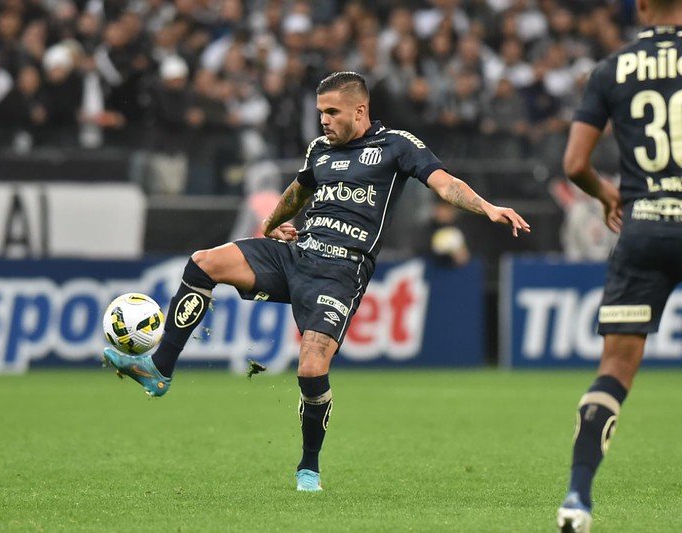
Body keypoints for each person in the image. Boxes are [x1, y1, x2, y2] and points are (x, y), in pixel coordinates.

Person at [102, 71, 530, 492]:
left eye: (332, 112)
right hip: (296, 253)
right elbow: (298, 191)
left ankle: (309, 466)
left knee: (311, 366)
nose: (324, 120)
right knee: (204, 263)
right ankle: (160, 369)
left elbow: (445, 184)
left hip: (340, 271)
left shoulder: (396, 145)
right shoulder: (320, 150)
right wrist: (271, 224)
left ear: (360, 110)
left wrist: (487, 208)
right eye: (320, 112)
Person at [556, 1, 682, 531]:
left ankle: (577, 499)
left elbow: (574, 164)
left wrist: (608, 194)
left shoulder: (611, 69)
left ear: (642, 6)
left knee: (614, 370)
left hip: (644, 227)